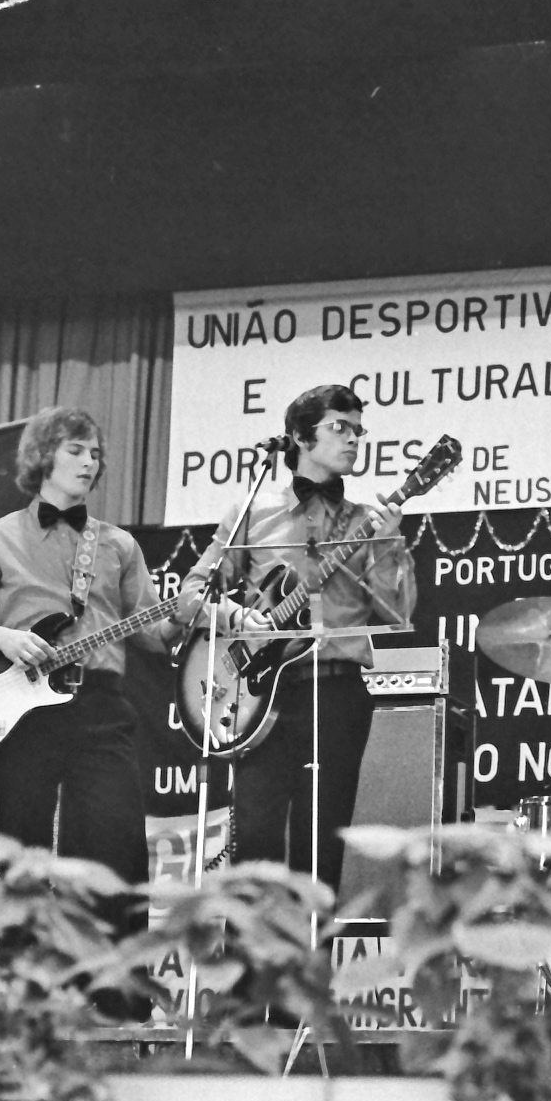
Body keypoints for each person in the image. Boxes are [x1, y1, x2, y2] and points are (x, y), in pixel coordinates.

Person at [0, 408, 163, 1017]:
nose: (90, 462)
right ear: (44, 456)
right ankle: (25, 990)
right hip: (23, 708)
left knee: (117, 840)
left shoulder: (118, 545)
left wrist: (201, 612)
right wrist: (2, 638)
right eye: (76, 451)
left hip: (100, 704)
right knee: (24, 846)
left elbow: (156, 633)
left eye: (95, 453)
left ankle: (119, 991)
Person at [183, 384, 415, 896]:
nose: (354, 439)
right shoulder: (253, 511)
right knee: (257, 839)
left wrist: (389, 541)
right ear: (298, 437)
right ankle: (250, 971)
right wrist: (237, 618)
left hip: (337, 693)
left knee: (322, 844)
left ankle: (311, 972)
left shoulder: (364, 521)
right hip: (263, 695)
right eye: (340, 428)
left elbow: (397, 613)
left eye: (359, 431)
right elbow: (190, 595)